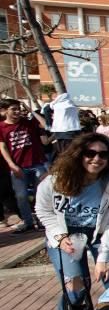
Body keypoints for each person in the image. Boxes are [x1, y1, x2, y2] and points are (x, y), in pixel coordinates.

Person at [36, 133, 109, 310]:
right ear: (78, 154)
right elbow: (43, 210)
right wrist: (59, 236)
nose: (97, 159)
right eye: (90, 153)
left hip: (101, 233)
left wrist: (104, 256)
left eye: (103, 155)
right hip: (67, 233)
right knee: (75, 284)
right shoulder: (56, 180)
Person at [0, 99, 49, 233]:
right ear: (5, 111)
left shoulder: (28, 123)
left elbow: (45, 125)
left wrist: (31, 111)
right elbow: (2, 147)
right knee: (21, 196)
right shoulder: (1, 127)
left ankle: (42, 221)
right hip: (18, 166)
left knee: (41, 194)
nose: (17, 112)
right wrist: (11, 165)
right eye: (13, 109)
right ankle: (28, 222)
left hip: (37, 164)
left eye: (18, 109)